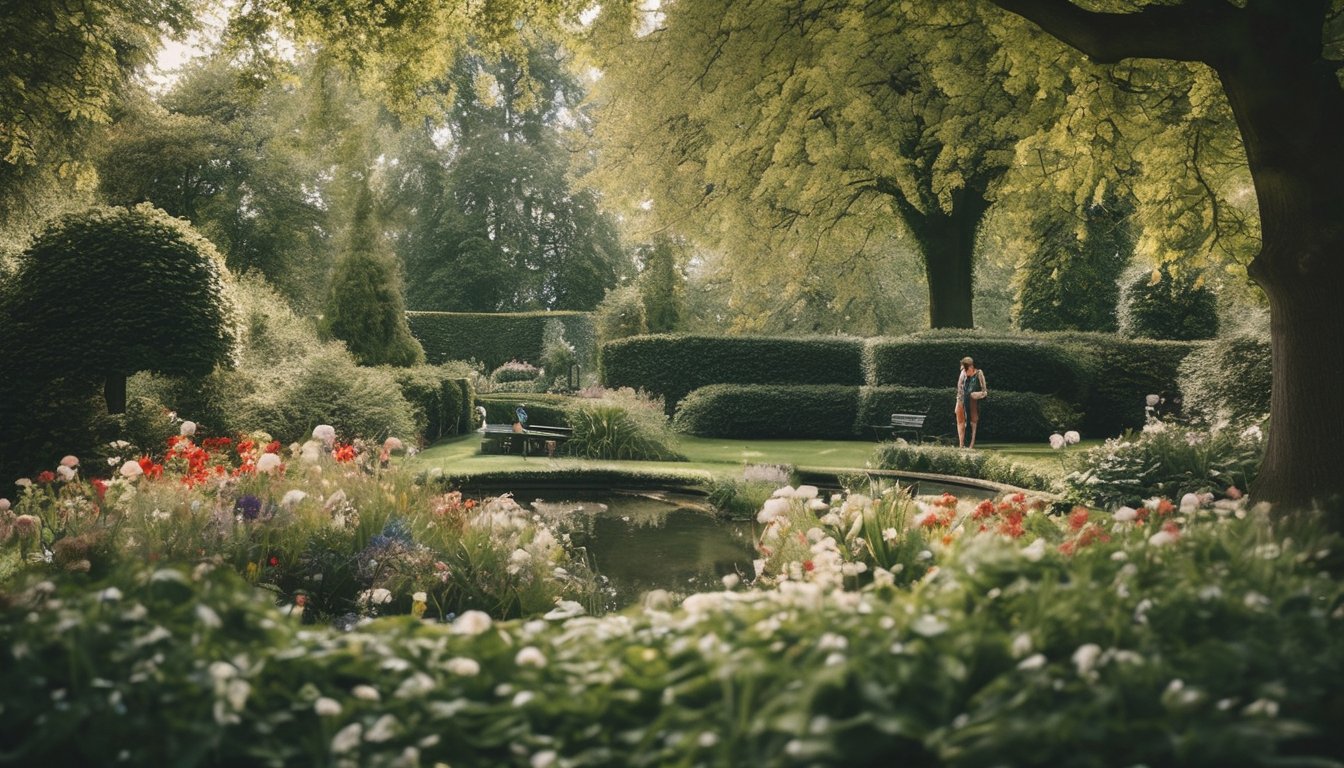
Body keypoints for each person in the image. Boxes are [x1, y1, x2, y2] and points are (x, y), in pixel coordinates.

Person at [955, 356, 988, 449]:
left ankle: (971, 445)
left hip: (973, 401)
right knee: (960, 420)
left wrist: (975, 395)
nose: (965, 372)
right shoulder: (963, 373)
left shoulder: (979, 374)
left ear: (971, 367)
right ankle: (961, 444)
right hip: (962, 399)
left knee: (973, 422)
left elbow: (984, 391)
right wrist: (959, 399)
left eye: (966, 369)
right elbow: (960, 387)